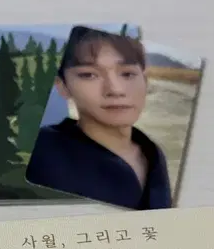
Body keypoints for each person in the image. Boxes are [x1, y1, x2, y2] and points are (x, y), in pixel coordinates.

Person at [25, 26, 172, 210]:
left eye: (127, 74)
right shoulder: (41, 152)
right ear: (63, 86)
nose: (115, 90)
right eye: (89, 75)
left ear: (145, 81)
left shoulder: (153, 154)